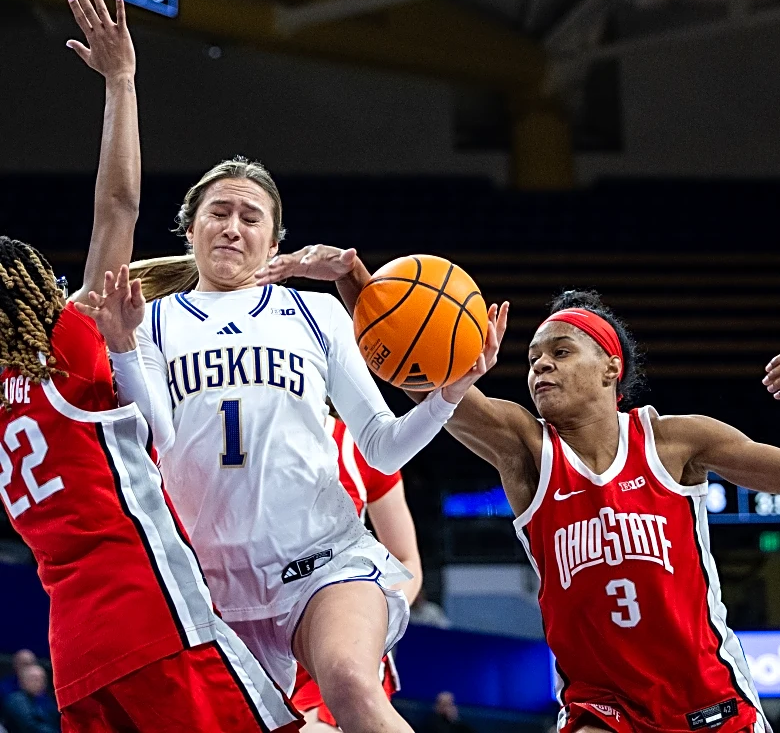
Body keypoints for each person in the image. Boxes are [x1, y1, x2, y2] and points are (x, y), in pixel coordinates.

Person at [256, 245, 774, 733]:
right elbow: (422, 370)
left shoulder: (677, 441)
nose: (541, 364)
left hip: (706, 696)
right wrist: (358, 285)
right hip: (604, 705)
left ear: (610, 367)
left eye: (561, 352)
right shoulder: (528, 450)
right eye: (532, 358)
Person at [77, 158, 499, 733]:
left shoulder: (316, 312)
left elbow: (382, 446)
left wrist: (448, 396)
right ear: (190, 228)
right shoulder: (152, 319)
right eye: (219, 213)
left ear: (274, 242)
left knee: (351, 684)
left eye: (250, 217)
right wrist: (123, 347)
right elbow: (155, 433)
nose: (233, 227)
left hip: (320, 563)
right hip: (207, 587)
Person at [0, 0, 299, 733]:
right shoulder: (67, 345)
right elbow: (118, 207)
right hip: (151, 614)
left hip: (72, 650)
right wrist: (122, 82)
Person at [291, 410, 422, 729]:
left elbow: (406, 562)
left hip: (332, 634)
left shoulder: (359, 447)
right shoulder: (216, 432)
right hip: (249, 633)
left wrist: (365, 621)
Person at [2, 664, 59, 733]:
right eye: (35, 679)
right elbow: (30, 726)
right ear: (22, 681)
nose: (40, 683)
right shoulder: (16, 700)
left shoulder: (46, 700)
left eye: (43, 679)